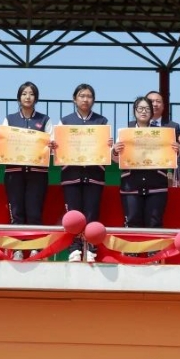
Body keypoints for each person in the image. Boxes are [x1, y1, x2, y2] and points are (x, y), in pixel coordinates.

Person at [54, 83, 112, 263]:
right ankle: (74, 249)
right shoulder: (64, 122)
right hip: (71, 175)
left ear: (93, 100)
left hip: (94, 175)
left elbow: (107, 150)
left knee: (92, 213)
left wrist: (108, 145)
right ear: (74, 99)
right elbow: (57, 147)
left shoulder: (102, 122)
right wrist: (55, 145)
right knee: (73, 215)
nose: (85, 99)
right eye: (82, 96)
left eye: (89, 96)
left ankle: (91, 248)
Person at [1, 81, 53, 260]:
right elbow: (3, 143)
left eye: (31, 94)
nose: (27, 97)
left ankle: (35, 248)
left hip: (37, 173)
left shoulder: (45, 120)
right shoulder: (9, 119)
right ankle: (17, 249)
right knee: (16, 212)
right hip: (14, 172)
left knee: (34, 212)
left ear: (36, 98)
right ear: (19, 97)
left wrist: (51, 145)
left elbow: (51, 146)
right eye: (24, 93)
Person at [112, 96, 174, 234]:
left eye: (147, 109)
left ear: (152, 112)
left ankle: (155, 249)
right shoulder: (125, 133)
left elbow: (169, 157)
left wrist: (175, 150)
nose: (143, 111)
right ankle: (132, 248)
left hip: (156, 185)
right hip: (131, 185)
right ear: (134, 111)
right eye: (140, 108)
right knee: (132, 222)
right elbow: (116, 160)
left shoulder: (161, 133)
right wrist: (115, 151)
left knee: (155, 223)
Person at [145, 90, 180, 185]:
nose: (155, 104)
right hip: (141, 176)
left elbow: (179, 156)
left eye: (158, 101)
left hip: (163, 178)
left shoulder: (173, 127)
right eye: (151, 101)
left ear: (163, 106)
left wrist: (179, 179)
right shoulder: (134, 127)